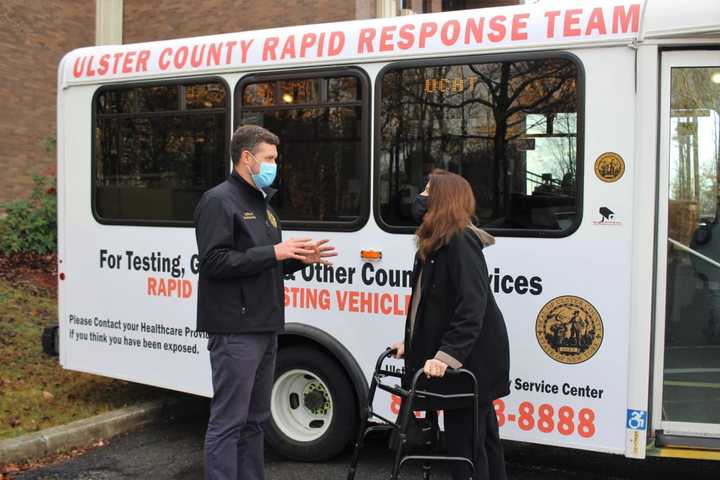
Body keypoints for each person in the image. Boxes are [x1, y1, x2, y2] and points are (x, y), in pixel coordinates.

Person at [194, 125, 336, 480]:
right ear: (246, 158)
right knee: (229, 422)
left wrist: (298, 260)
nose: (276, 164)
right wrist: (274, 251)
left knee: (256, 421)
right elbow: (214, 262)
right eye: (270, 158)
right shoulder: (218, 200)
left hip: (266, 325)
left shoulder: (264, 205)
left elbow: (263, 263)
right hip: (235, 330)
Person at [391, 169, 510, 480]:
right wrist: (412, 344)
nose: (421, 197)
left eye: (428, 191)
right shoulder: (439, 242)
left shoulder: (459, 242)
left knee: (465, 446)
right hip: (469, 359)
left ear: (443, 200)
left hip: (472, 362)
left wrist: (445, 358)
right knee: (481, 438)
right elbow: (433, 307)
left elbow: (472, 307)